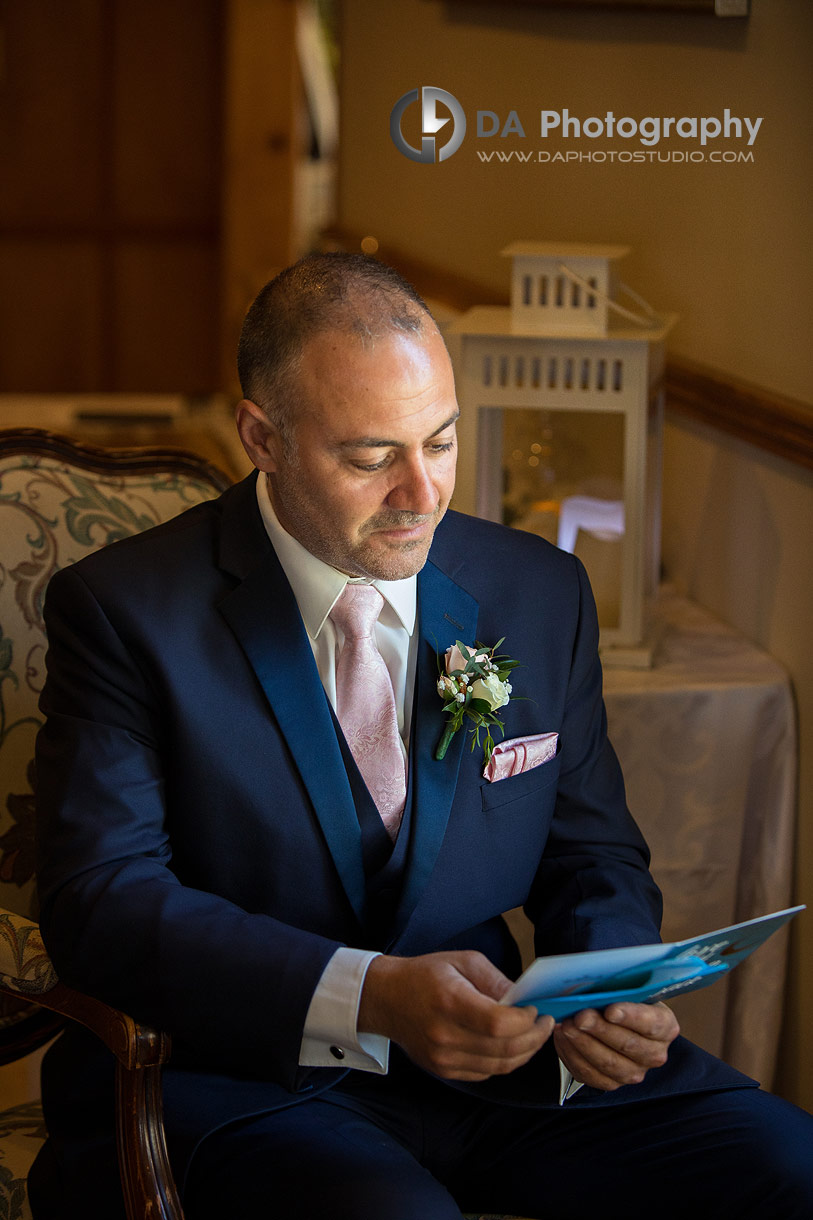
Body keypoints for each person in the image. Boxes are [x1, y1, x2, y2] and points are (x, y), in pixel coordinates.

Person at [31, 253, 813, 1219]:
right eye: (370, 458)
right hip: (240, 1078)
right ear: (261, 437)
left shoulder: (538, 590)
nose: (421, 494)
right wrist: (368, 995)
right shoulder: (123, 612)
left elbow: (591, 850)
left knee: (790, 1163)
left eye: (440, 443)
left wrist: (607, 986)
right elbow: (101, 900)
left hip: (511, 1075)